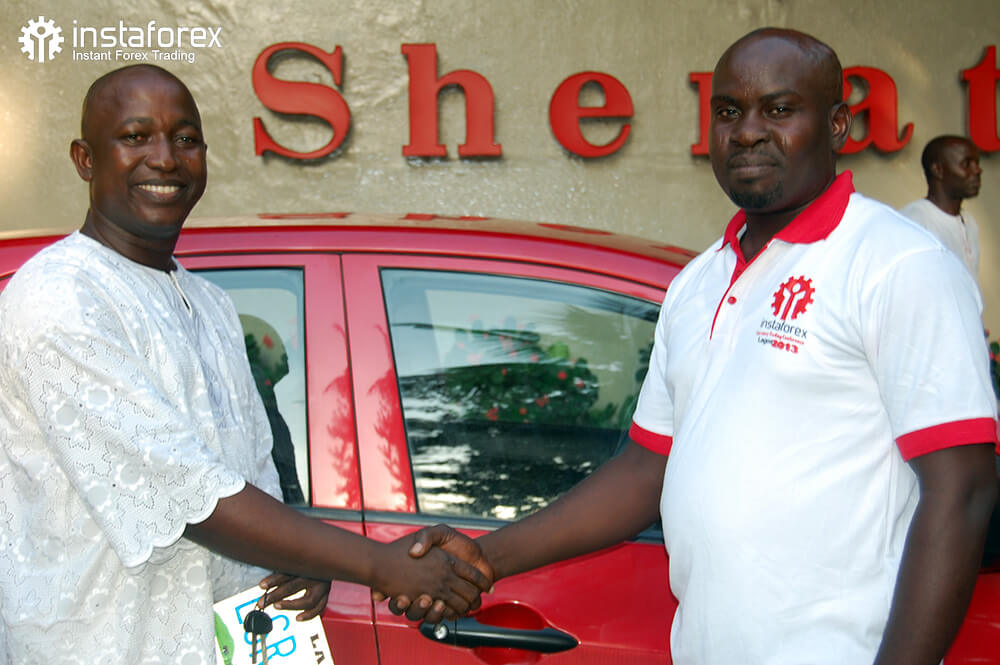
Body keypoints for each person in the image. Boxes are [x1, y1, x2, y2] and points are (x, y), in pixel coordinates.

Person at [391, 28, 1000, 665]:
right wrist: (485, 557)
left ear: (838, 124)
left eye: (779, 109)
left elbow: (961, 492)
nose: (747, 132)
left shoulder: (898, 264)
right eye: (729, 111)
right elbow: (643, 472)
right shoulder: (698, 282)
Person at [0, 64, 490, 665]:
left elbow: (254, 477)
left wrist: (301, 556)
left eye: (185, 138)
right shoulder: (58, 297)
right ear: (85, 159)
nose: (165, 159)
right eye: (136, 137)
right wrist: (378, 564)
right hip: (98, 646)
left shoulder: (210, 304)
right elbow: (185, 487)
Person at [899, 135, 984, 285]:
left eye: (976, 163)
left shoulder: (969, 222)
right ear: (938, 170)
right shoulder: (914, 222)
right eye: (966, 164)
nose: (978, 170)